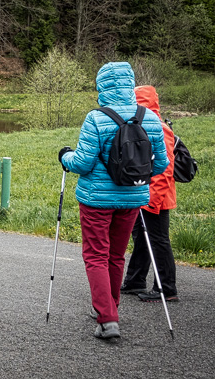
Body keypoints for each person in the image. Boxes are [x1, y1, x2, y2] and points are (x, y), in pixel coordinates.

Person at [58, 62, 168, 341]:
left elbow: (82, 164)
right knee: (116, 255)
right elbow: (160, 165)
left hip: (96, 200)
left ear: (101, 86)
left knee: (96, 255)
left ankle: (107, 318)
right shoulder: (150, 118)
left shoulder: (96, 118)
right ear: (130, 83)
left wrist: (64, 157)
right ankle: (111, 308)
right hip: (132, 199)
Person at [121, 85, 179, 303]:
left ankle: (166, 288)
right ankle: (135, 281)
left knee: (158, 241)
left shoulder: (159, 127)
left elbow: (166, 171)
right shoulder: (140, 124)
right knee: (141, 239)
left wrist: (151, 201)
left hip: (157, 197)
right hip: (143, 193)